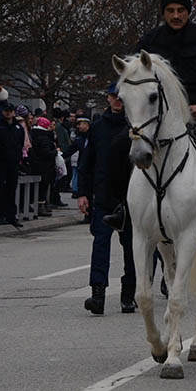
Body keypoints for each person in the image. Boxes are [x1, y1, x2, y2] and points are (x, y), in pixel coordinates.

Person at [99, 0, 196, 233]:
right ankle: (123, 207)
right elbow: (136, 74)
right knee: (117, 147)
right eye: (170, 11)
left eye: (180, 11)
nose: (176, 16)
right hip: (158, 114)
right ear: (163, 13)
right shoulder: (150, 41)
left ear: (188, 12)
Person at [76, 83, 137, 315]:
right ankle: (98, 293)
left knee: (131, 248)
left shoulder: (135, 126)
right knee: (100, 245)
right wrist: (82, 193)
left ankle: (128, 293)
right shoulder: (98, 127)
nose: (118, 101)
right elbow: (86, 163)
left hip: (130, 197)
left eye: (122, 97)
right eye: (114, 96)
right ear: (108, 99)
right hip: (102, 195)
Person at [0, 103, 25, 227]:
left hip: (13, 163)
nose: (8, 113)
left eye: (10, 111)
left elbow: (20, 144)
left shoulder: (18, 127)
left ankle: (11, 216)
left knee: (11, 190)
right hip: (0, 163)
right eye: (6, 111)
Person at [29, 116, 57, 217]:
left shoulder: (35, 135)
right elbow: (46, 152)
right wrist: (55, 152)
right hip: (44, 167)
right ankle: (41, 206)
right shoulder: (44, 137)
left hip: (38, 166)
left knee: (40, 187)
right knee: (43, 187)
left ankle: (39, 205)